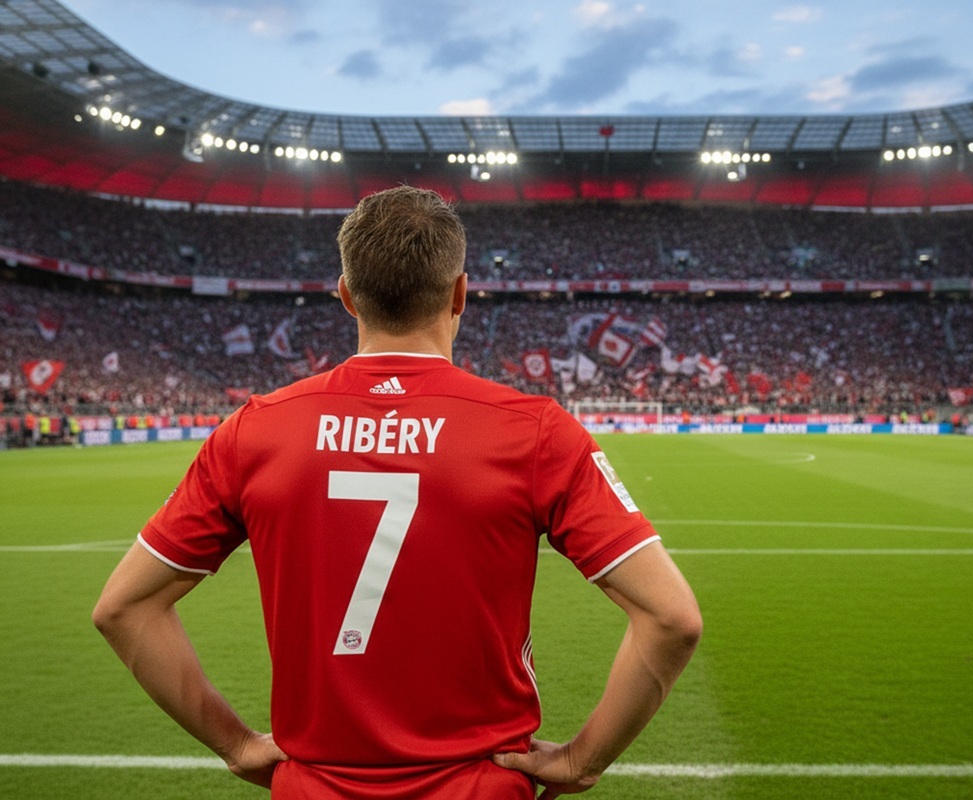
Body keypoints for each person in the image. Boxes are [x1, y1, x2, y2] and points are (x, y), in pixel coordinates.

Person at [93, 185, 702, 799]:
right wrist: (580, 762)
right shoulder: (535, 432)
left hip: (312, 788)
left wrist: (236, 744)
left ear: (347, 296)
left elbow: (122, 608)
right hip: (479, 789)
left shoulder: (254, 430)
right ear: (461, 293)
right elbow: (670, 618)